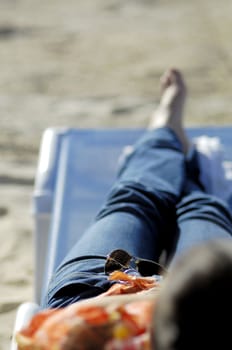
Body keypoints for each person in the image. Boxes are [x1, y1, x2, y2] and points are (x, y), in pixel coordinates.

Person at [43, 69, 232, 347]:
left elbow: (66, 323)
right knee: (200, 208)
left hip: (93, 303)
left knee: (136, 198)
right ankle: (187, 167)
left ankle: (167, 135)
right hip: (207, 317)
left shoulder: (70, 337)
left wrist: (155, 295)